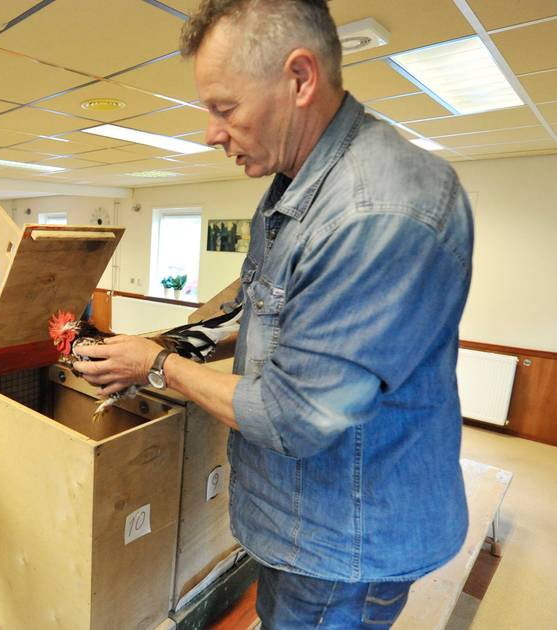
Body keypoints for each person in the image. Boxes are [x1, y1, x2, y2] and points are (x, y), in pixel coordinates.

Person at [70, 1, 474, 627]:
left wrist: (159, 366)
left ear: (300, 79)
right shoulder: (298, 183)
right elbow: (264, 303)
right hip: (303, 524)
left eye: (224, 108)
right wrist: (174, 340)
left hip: (345, 544)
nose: (210, 132)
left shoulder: (374, 211)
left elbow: (293, 418)